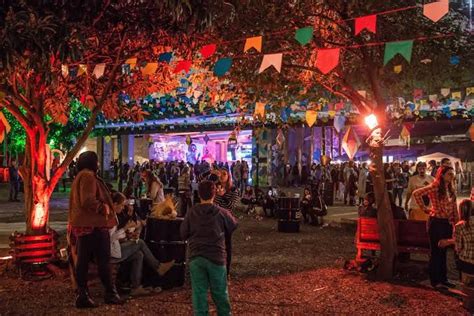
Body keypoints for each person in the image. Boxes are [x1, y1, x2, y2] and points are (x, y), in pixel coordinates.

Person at [68, 151, 123, 308]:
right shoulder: (87, 176)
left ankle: (84, 294)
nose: (99, 164)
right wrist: (102, 207)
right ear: (92, 162)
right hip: (93, 225)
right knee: (102, 261)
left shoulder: (80, 176)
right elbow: (87, 200)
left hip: (85, 225)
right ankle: (108, 293)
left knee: (84, 261)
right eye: (97, 161)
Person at [181, 180, 238, 316]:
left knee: (199, 292)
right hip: (216, 256)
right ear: (214, 194)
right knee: (219, 292)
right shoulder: (221, 212)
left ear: (199, 194)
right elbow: (233, 224)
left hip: (196, 256)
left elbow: (183, 233)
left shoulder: (192, 212)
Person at [109, 192, 174, 297]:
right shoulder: (110, 217)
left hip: (116, 247)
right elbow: (111, 238)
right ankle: (158, 267)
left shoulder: (116, 215)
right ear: (115, 204)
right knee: (140, 243)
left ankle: (136, 287)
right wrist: (125, 228)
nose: (122, 208)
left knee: (139, 254)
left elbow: (117, 235)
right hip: (111, 252)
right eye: (121, 205)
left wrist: (128, 235)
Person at [412, 166, 458, 289]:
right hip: (436, 222)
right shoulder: (435, 186)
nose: (452, 176)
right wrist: (425, 209)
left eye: (452, 174)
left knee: (444, 252)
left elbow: (454, 206)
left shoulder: (451, 188)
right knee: (436, 252)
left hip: (446, 222)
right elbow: (416, 193)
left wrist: (456, 222)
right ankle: (435, 280)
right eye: (449, 174)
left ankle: (443, 279)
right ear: (442, 175)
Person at [438, 200, 474, 274]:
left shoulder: (459, 226)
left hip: (468, 264)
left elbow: (458, 248)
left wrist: (449, 242)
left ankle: (463, 279)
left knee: (455, 253)